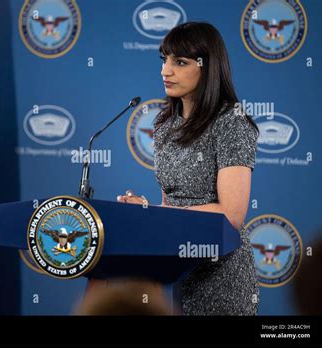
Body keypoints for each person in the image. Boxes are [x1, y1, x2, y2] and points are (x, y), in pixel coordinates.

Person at [116, 22, 259, 315]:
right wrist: (144, 211)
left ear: (208, 67)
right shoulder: (164, 124)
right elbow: (172, 205)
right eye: (164, 60)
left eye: (180, 62)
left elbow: (231, 215)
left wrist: (154, 214)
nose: (165, 71)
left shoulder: (231, 122)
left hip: (220, 274)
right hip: (177, 269)